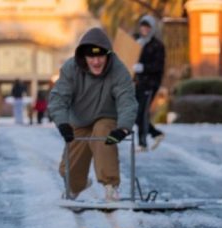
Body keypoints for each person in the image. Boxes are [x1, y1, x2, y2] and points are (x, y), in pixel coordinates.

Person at [49, 27, 137, 201]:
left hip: (106, 117)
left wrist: (124, 128)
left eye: (100, 56)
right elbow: (58, 98)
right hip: (79, 121)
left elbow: (127, 100)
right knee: (67, 171)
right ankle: (77, 186)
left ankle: (110, 186)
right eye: (91, 57)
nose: (96, 62)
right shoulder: (70, 69)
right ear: (83, 57)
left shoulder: (118, 70)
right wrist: (63, 123)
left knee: (103, 132)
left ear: (108, 55)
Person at [133, 15, 166, 151]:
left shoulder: (157, 46)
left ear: (152, 28)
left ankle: (142, 143)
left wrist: (143, 67)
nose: (145, 29)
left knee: (142, 112)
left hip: (150, 84)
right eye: (143, 26)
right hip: (137, 83)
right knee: (134, 112)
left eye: (148, 27)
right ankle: (156, 133)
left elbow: (158, 66)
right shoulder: (137, 41)